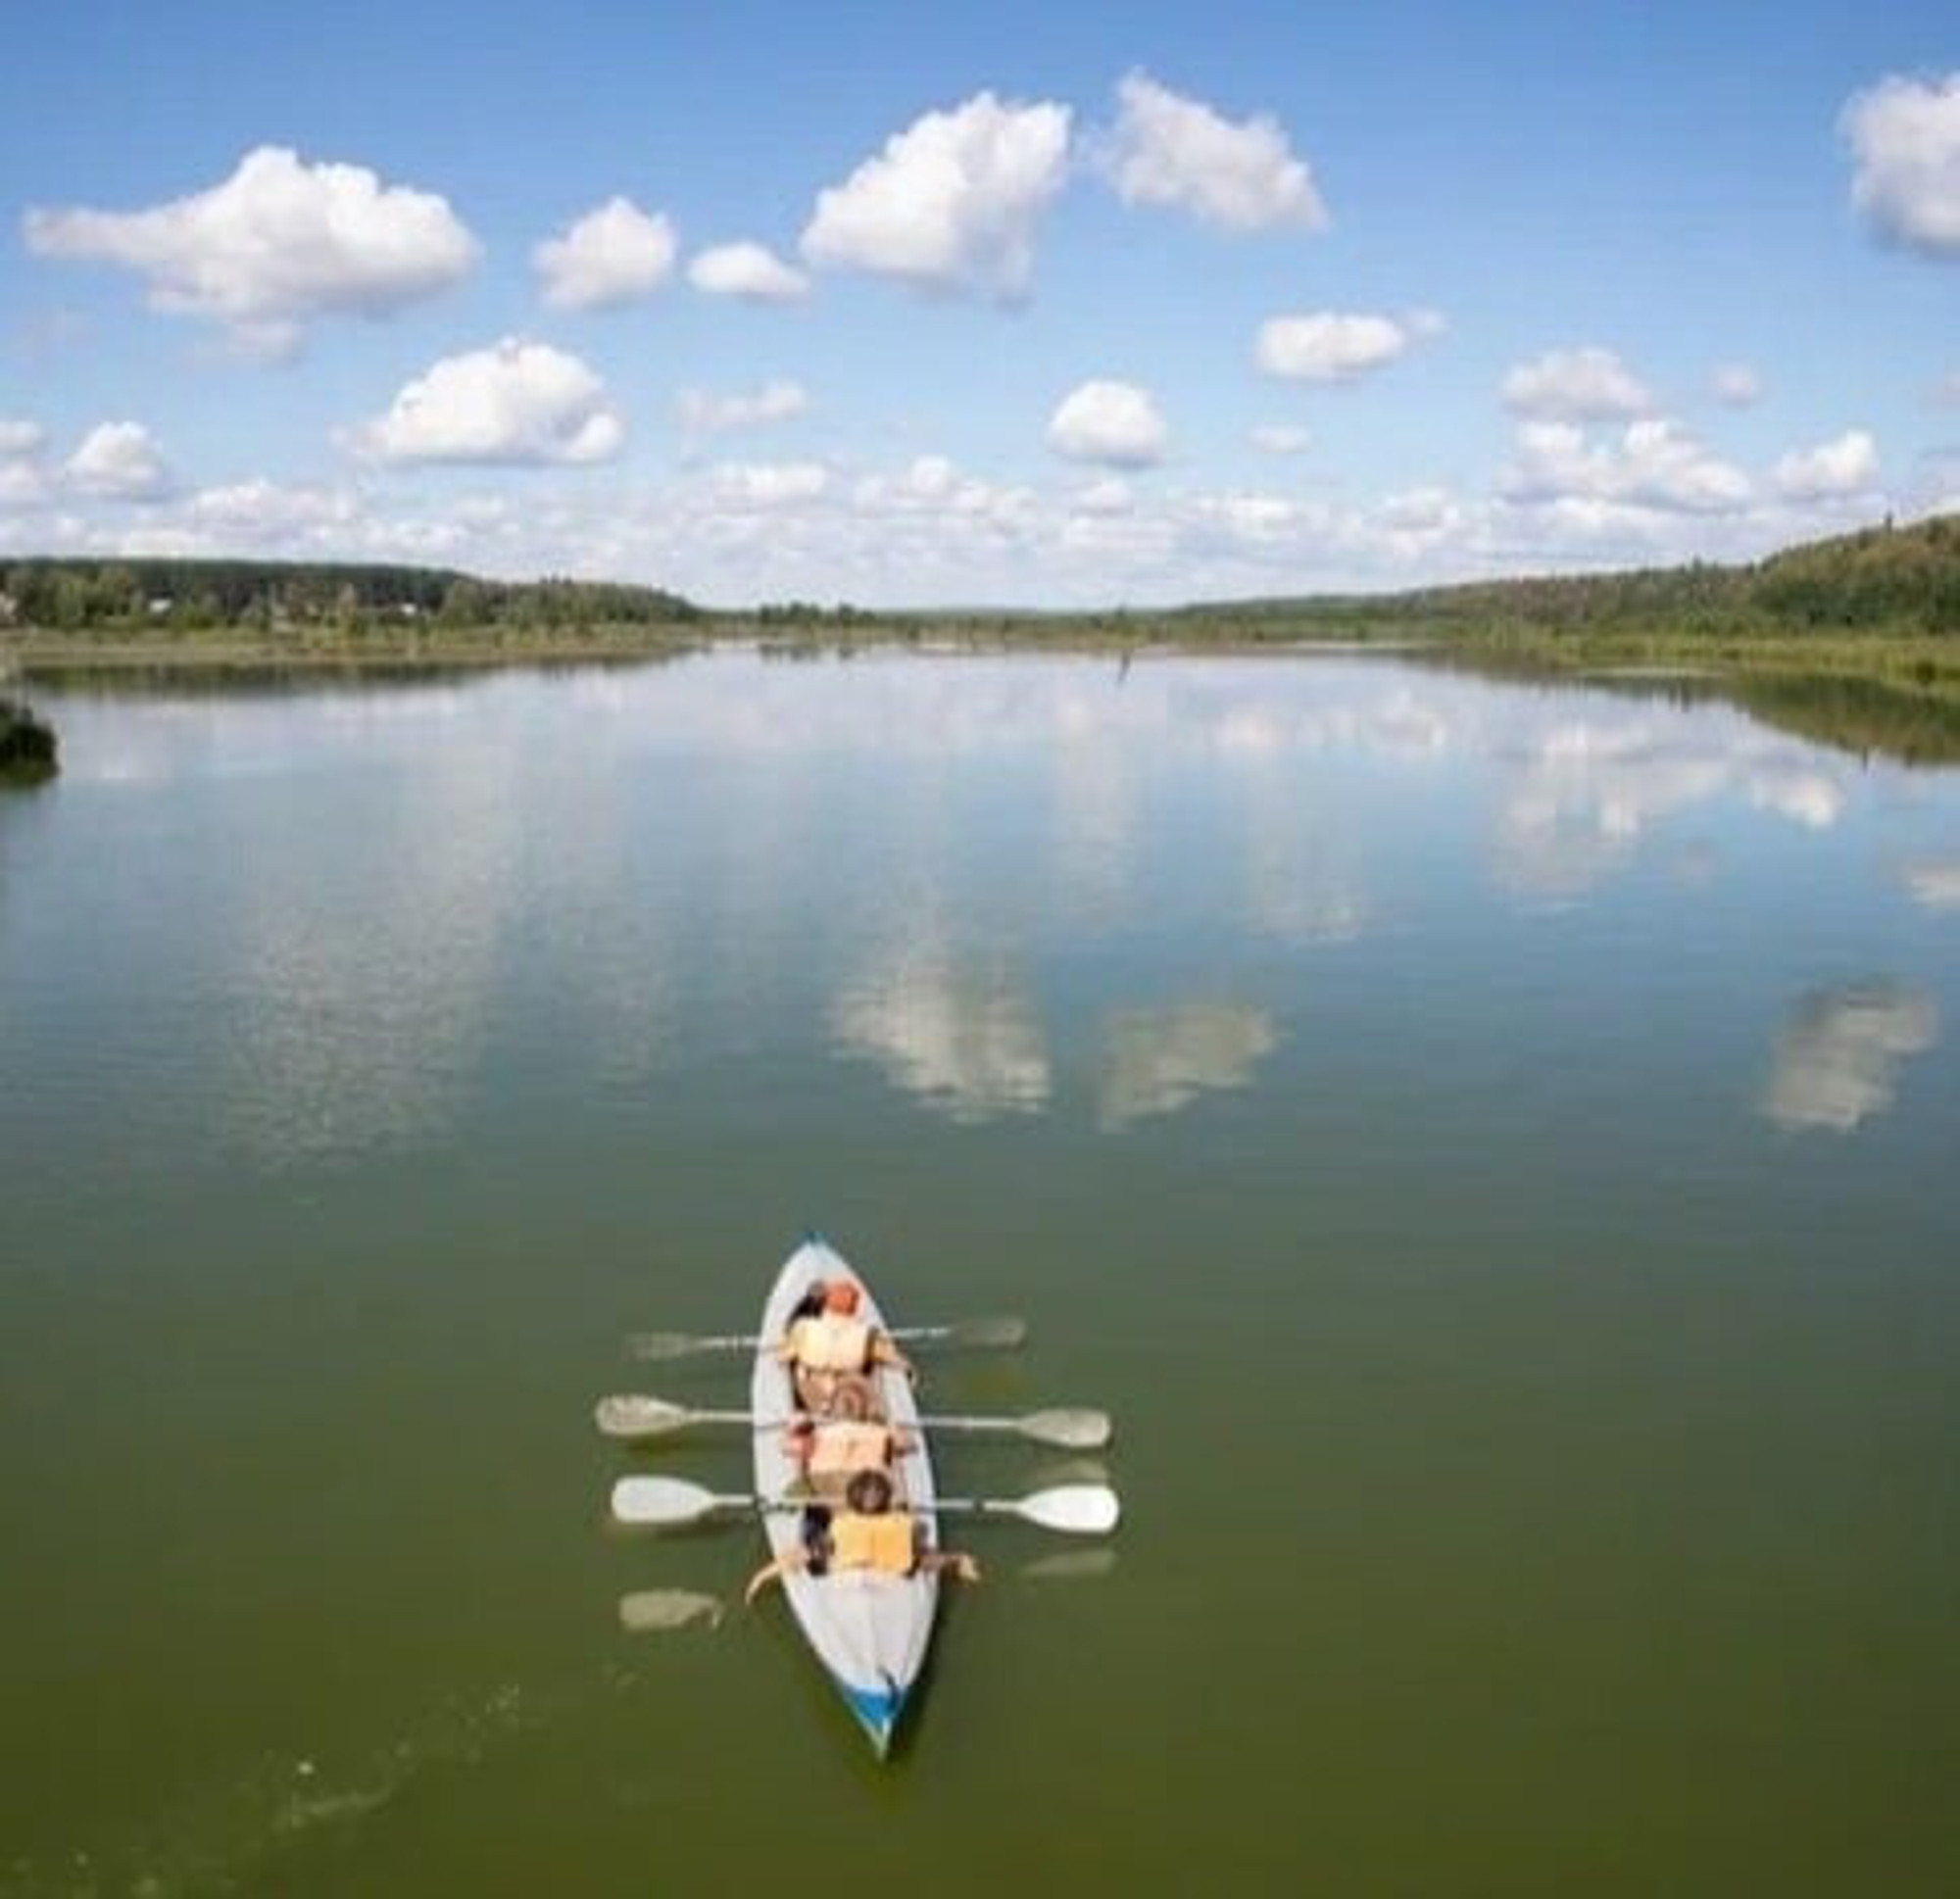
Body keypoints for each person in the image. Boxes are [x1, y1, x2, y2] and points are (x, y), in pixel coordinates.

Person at [745, 1470, 980, 1602]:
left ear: (850, 1501)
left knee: (816, 1548)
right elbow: (922, 1533)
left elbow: (802, 1554)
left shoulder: (841, 1525)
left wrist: (762, 1575)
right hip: (893, 1571)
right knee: (924, 1557)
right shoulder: (903, 1522)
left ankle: (959, 1561)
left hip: (851, 1574)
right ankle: (960, 1560)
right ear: (887, 1499)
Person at [774, 1280, 914, 1413]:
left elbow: (781, 1356)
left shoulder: (803, 1327)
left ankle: (814, 1409)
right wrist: (909, 1369)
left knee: (802, 1372)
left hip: (813, 1395)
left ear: (826, 1303)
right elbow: (894, 1359)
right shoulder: (867, 1335)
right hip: (849, 1394)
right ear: (854, 1308)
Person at [781, 1413, 917, 1496]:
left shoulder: (834, 1432)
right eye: (797, 1454)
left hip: (879, 1463)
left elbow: (874, 1433)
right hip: (873, 1480)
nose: (801, 1452)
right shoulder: (815, 1469)